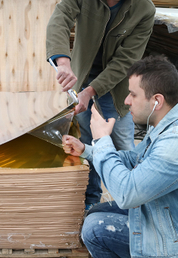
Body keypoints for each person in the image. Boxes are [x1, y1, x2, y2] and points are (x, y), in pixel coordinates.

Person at [62, 55, 178, 258]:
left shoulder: (173, 146)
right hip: (167, 213)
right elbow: (134, 160)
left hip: (172, 233)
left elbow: (127, 194)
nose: (126, 101)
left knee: (93, 230)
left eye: (133, 94)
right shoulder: (165, 124)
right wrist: (88, 150)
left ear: (157, 101)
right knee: (94, 213)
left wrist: (103, 140)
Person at [46, 0, 156, 209]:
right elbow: (60, 19)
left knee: (123, 144)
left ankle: (136, 206)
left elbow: (125, 60)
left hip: (117, 89)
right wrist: (63, 62)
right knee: (85, 143)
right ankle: (90, 203)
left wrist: (90, 92)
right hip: (80, 77)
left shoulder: (144, 8)